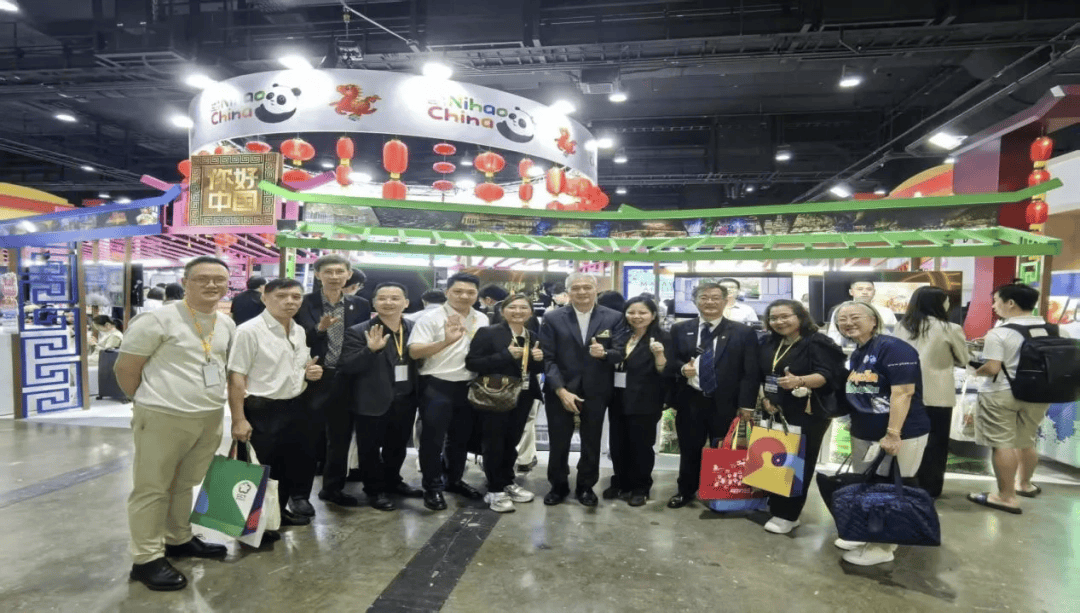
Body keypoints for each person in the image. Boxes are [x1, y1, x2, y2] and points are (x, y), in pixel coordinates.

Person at [114, 256, 235, 591]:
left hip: (209, 415)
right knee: (151, 488)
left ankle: (178, 539)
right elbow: (126, 368)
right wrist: (147, 401)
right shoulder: (157, 319)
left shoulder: (226, 323)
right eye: (202, 278)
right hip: (163, 415)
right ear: (185, 282)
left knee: (184, 483)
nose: (212, 285)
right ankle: (146, 559)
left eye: (219, 279)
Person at [836, 300, 930, 566]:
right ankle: (867, 533)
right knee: (868, 487)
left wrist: (893, 433)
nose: (848, 323)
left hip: (901, 434)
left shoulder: (894, 348)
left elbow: (904, 393)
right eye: (842, 319)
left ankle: (883, 546)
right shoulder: (859, 351)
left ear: (874, 320)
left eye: (855, 317)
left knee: (890, 490)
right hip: (865, 432)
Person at [226, 278, 322, 538]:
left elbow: (296, 366)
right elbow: (236, 377)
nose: (290, 301)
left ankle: (277, 513)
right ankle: (248, 525)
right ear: (265, 298)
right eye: (281, 296)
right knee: (257, 468)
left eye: (296, 297)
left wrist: (309, 372)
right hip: (262, 408)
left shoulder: (298, 330)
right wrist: (238, 419)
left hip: (295, 405)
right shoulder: (249, 331)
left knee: (288, 466)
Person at [969, 282, 1068, 514]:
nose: (994, 306)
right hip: (1039, 393)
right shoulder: (1057, 330)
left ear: (1010, 303)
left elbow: (992, 368)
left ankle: (1006, 497)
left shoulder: (999, 333)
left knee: (1002, 443)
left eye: (996, 301)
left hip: (1001, 394)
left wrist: (974, 371)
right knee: (1027, 440)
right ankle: (1024, 484)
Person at [665, 281, 760, 509]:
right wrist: (681, 369)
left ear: (726, 301)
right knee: (689, 448)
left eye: (715, 298)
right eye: (704, 297)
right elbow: (670, 360)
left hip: (726, 401)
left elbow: (750, 371)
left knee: (723, 449)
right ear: (695, 301)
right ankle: (686, 490)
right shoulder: (680, 329)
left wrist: (746, 405)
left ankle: (720, 494)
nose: (710, 302)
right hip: (691, 399)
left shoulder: (743, 332)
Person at [758, 299, 846, 533]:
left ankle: (788, 514)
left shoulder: (817, 342)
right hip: (774, 408)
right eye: (773, 318)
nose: (779, 322)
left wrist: (800, 380)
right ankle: (775, 504)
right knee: (774, 457)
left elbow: (829, 375)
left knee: (798, 462)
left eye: (785, 316)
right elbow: (762, 374)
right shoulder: (769, 341)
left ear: (800, 316)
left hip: (806, 411)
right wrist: (765, 398)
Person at [538, 272, 625, 507]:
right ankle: (558, 485)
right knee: (559, 441)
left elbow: (620, 352)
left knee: (591, 441)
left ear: (595, 289)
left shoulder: (614, 317)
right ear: (568, 292)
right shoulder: (553, 317)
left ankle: (586, 486)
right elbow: (547, 358)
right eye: (576, 288)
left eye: (587, 287)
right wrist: (560, 390)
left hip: (597, 389)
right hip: (561, 389)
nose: (582, 292)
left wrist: (605, 354)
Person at [293, 255, 371, 512]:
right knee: (307, 437)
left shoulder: (360, 305)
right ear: (318, 275)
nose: (334, 276)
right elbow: (297, 338)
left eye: (340, 272)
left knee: (340, 438)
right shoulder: (304, 302)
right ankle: (299, 495)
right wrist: (320, 329)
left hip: (347, 378)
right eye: (328, 272)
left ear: (348, 274)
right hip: (314, 376)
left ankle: (332, 488)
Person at [339, 282, 424, 511]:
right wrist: (370, 350)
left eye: (395, 298)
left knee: (397, 447)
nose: (388, 302)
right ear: (374, 303)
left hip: (406, 399)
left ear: (406, 303)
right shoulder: (359, 331)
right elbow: (347, 366)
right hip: (371, 400)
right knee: (369, 449)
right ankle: (374, 490)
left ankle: (393, 481)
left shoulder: (416, 329)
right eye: (382, 298)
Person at [408, 272, 488, 511]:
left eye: (470, 292)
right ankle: (432, 488)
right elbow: (414, 351)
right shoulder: (431, 318)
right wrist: (445, 341)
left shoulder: (482, 318)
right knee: (432, 440)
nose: (464, 296)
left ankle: (454, 480)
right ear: (447, 293)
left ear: (477, 295)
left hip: (469, 385)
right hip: (437, 384)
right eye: (458, 291)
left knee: (460, 438)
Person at [465, 294, 544, 512]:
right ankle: (494, 490)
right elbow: (472, 363)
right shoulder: (488, 333)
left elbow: (532, 369)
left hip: (523, 395)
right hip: (495, 395)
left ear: (530, 312)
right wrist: (505, 355)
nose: (518, 312)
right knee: (494, 442)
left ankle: (507, 481)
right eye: (513, 307)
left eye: (523, 308)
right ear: (503, 311)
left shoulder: (532, 335)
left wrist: (539, 360)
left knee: (512, 441)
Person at [892, 286, 969, 498]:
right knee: (936, 443)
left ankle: (906, 484)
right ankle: (930, 488)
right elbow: (963, 358)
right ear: (939, 304)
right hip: (938, 394)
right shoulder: (950, 328)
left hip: (905, 392)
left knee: (909, 441)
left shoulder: (901, 326)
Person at [606, 297, 671, 506]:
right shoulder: (620, 335)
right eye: (631, 312)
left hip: (645, 400)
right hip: (618, 398)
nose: (636, 317)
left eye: (642, 312)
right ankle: (620, 482)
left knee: (641, 446)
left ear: (653, 315)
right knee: (617, 444)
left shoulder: (663, 338)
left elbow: (665, 371)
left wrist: (659, 355)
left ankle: (640, 487)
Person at [826, 280, 897, 345]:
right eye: (860, 289)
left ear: (874, 292)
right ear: (851, 292)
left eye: (869, 289)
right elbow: (834, 336)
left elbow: (894, 335)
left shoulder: (886, 312)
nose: (865, 292)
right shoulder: (841, 310)